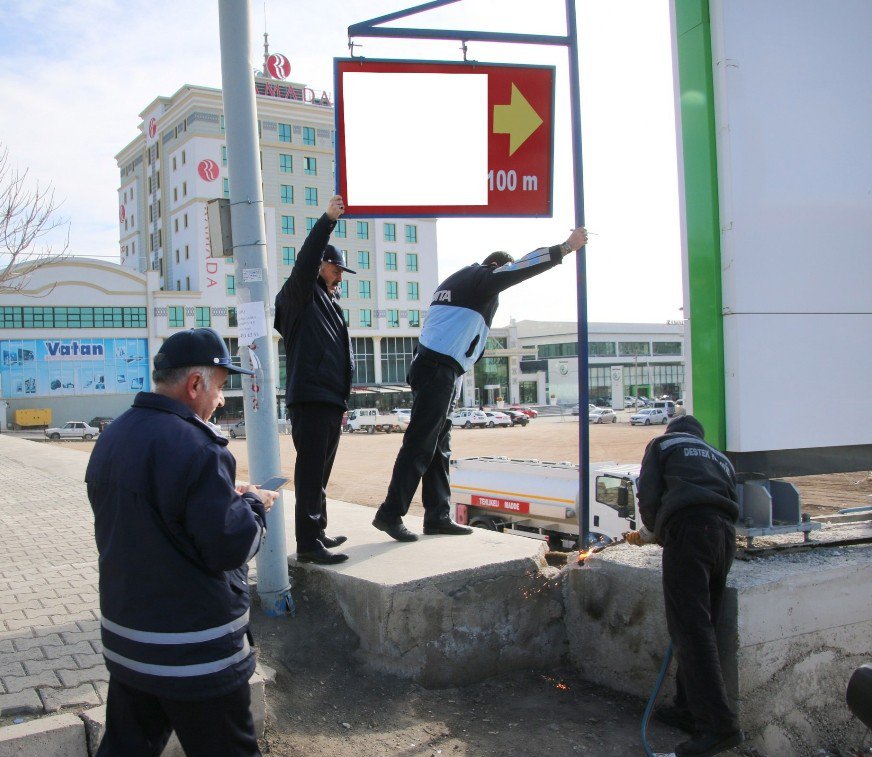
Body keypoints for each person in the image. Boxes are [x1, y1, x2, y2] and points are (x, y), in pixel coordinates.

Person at [86, 328, 279, 757]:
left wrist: (224, 496)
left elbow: (151, 519)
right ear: (195, 384)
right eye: (221, 386)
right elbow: (230, 546)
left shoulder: (114, 436)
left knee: (126, 747)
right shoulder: (197, 448)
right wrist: (253, 505)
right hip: (194, 652)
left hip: (130, 641)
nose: (222, 399)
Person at [372, 228, 588, 542]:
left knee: (437, 449)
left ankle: (437, 517)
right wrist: (566, 248)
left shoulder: (459, 281)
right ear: (497, 268)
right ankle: (390, 514)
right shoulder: (481, 278)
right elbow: (522, 267)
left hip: (438, 369)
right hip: (437, 368)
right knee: (420, 445)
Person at [624, 414, 745, 757]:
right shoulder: (720, 457)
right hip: (724, 537)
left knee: (690, 629)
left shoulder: (662, 444)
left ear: (672, 430)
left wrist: (651, 531)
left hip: (689, 531)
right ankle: (689, 708)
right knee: (703, 625)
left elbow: (648, 495)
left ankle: (719, 727)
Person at [274, 194, 353, 565]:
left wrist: (343, 400)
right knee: (309, 471)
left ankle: (317, 529)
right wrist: (327, 221)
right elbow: (305, 260)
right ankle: (308, 544)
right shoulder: (300, 294)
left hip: (329, 399)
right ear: (321, 266)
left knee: (321, 470)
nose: (339, 277)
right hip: (310, 397)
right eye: (336, 269)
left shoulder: (329, 302)